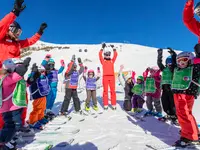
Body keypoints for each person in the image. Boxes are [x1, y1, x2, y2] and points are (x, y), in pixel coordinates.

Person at [0, 0, 47, 132]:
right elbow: (1, 26)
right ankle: (3, 131)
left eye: (19, 33)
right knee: (4, 105)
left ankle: (20, 125)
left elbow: (30, 41)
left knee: (22, 100)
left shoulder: (17, 44)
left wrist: (39, 33)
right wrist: (14, 13)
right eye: (16, 31)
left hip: (17, 76)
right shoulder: (1, 40)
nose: (17, 35)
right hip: (4, 77)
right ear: (9, 29)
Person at [170, 44, 200, 147]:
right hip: (181, 93)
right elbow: (173, 66)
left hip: (185, 93)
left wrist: (199, 55)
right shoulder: (178, 70)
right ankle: (194, 133)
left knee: (183, 114)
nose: (181, 63)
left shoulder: (193, 68)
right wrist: (174, 56)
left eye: (184, 60)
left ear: (190, 60)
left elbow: (198, 65)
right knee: (187, 114)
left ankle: (189, 137)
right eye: (179, 61)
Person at [0, 57, 31, 150]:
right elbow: (16, 76)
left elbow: (21, 84)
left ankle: (7, 140)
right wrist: (24, 66)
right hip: (8, 108)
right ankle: (3, 141)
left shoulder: (11, 77)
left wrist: (31, 80)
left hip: (14, 106)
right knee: (14, 125)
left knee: (9, 125)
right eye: (17, 66)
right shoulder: (6, 78)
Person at [157, 48, 178, 124]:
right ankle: (169, 114)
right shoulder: (164, 69)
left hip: (171, 88)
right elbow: (159, 63)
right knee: (164, 102)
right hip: (164, 88)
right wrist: (160, 54)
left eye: (171, 62)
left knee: (173, 103)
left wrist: (173, 54)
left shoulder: (174, 69)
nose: (169, 64)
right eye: (168, 62)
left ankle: (175, 116)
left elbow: (175, 63)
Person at [27, 64, 50, 130]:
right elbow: (30, 80)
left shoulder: (43, 76)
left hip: (43, 94)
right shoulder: (35, 76)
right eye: (41, 71)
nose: (43, 73)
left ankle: (40, 118)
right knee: (37, 108)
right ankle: (32, 121)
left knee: (42, 108)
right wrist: (33, 72)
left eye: (44, 71)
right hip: (37, 95)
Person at [99, 43, 118, 110]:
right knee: (105, 91)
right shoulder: (103, 61)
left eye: (109, 54)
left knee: (113, 91)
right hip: (105, 77)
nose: (107, 56)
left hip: (112, 77)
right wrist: (102, 48)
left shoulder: (112, 61)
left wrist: (114, 49)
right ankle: (106, 104)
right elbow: (99, 55)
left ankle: (113, 104)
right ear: (104, 55)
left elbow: (115, 55)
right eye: (106, 54)